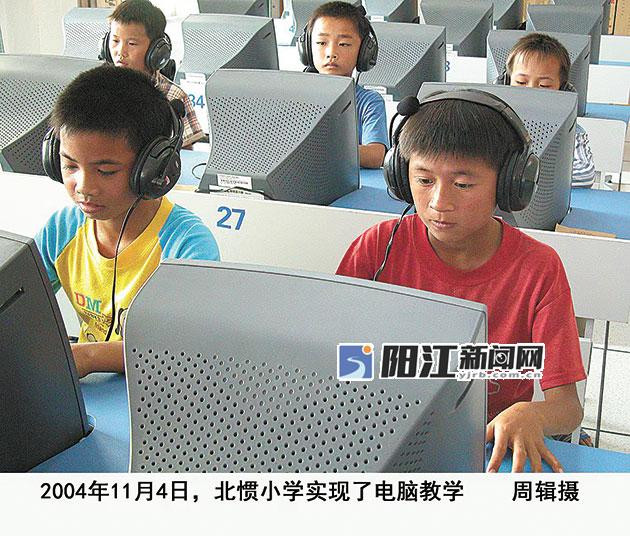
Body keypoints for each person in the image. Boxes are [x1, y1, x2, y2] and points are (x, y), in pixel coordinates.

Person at [336, 90, 586, 472]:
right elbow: (334, 359)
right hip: (389, 436)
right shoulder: (377, 247)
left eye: (464, 185)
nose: (439, 202)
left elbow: (567, 408)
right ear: (401, 176)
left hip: (488, 451)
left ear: (510, 184)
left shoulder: (538, 269)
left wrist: (533, 414)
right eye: (423, 179)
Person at [36, 65, 220, 377]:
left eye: (106, 171)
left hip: (160, 390)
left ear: (152, 169)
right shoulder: (61, 230)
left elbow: (187, 350)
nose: (84, 187)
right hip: (87, 389)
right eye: (70, 166)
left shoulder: (187, 246)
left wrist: (90, 356)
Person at [103, 0, 204, 149]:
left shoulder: (173, 96)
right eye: (115, 41)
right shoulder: (99, 89)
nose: (121, 52)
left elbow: (185, 155)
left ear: (156, 50)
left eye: (132, 44)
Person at [298, 1, 388, 168]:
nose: (331, 53)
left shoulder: (369, 101)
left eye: (344, 44)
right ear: (307, 49)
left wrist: (319, 150)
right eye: (321, 43)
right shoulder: (295, 97)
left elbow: (375, 155)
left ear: (364, 52)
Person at [502, 32, 595, 188]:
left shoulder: (571, 130)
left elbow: (585, 174)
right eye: (521, 82)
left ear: (562, 90)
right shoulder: (492, 124)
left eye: (544, 85)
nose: (531, 91)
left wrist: (525, 175)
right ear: (505, 83)